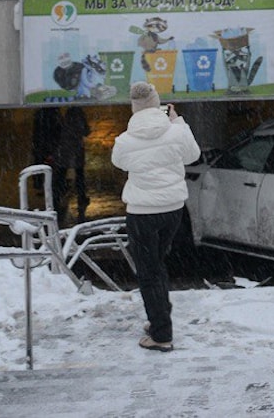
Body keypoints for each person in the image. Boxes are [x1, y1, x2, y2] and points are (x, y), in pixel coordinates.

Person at [111, 82, 201, 352]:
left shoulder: (125, 140)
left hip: (142, 214)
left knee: (148, 271)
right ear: (158, 103)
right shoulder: (176, 131)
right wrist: (178, 123)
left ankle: (161, 335)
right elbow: (193, 156)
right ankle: (160, 314)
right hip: (173, 209)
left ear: (134, 107)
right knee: (157, 264)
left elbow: (120, 162)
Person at [57, 107, 91, 223]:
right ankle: (81, 197)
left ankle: (60, 195)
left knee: (62, 172)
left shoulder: (65, 118)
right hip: (76, 148)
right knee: (79, 174)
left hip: (65, 149)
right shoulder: (79, 115)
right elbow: (86, 131)